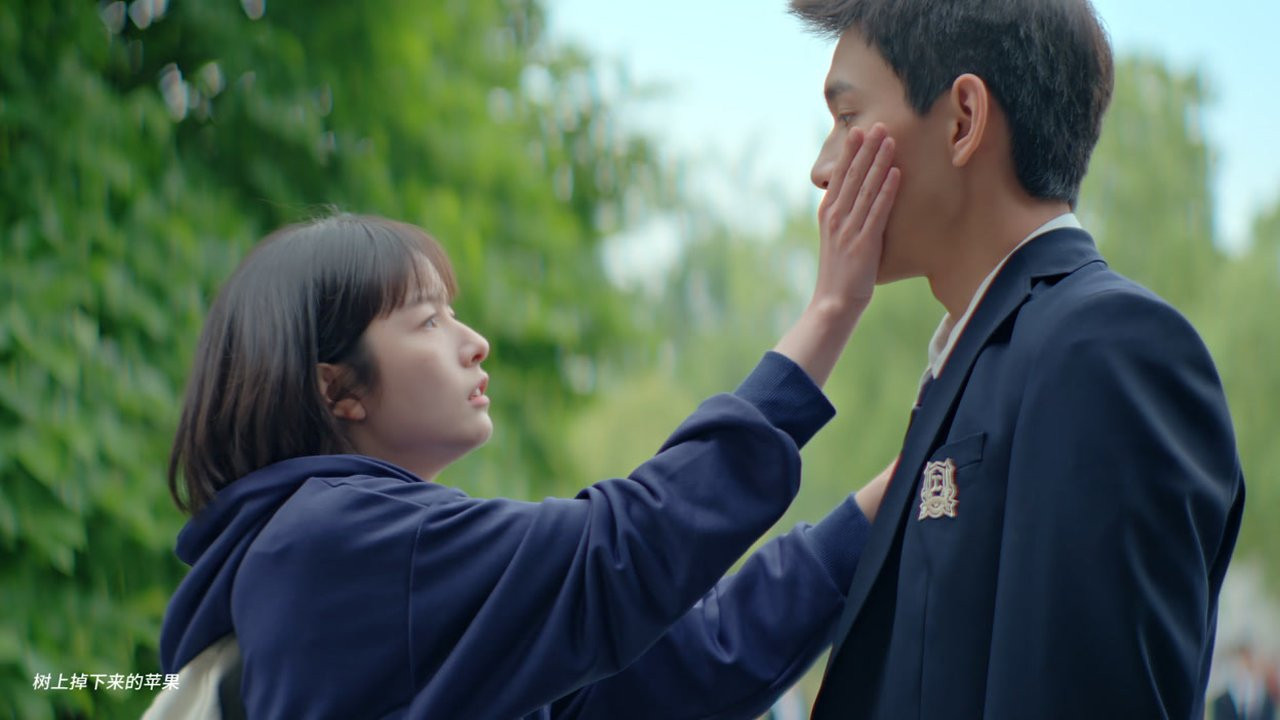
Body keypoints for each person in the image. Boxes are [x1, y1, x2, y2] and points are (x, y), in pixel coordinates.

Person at [152, 126, 902, 718]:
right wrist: (831, 310)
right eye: (427, 321)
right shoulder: (327, 543)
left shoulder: (382, 589)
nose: (474, 342)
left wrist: (889, 499)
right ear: (338, 387)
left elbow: (692, 667)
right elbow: (619, 552)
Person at [787, 1, 1247, 718]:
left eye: (848, 119)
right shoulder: (992, 356)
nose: (823, 170)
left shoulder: (1104, 351)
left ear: (963, 121)